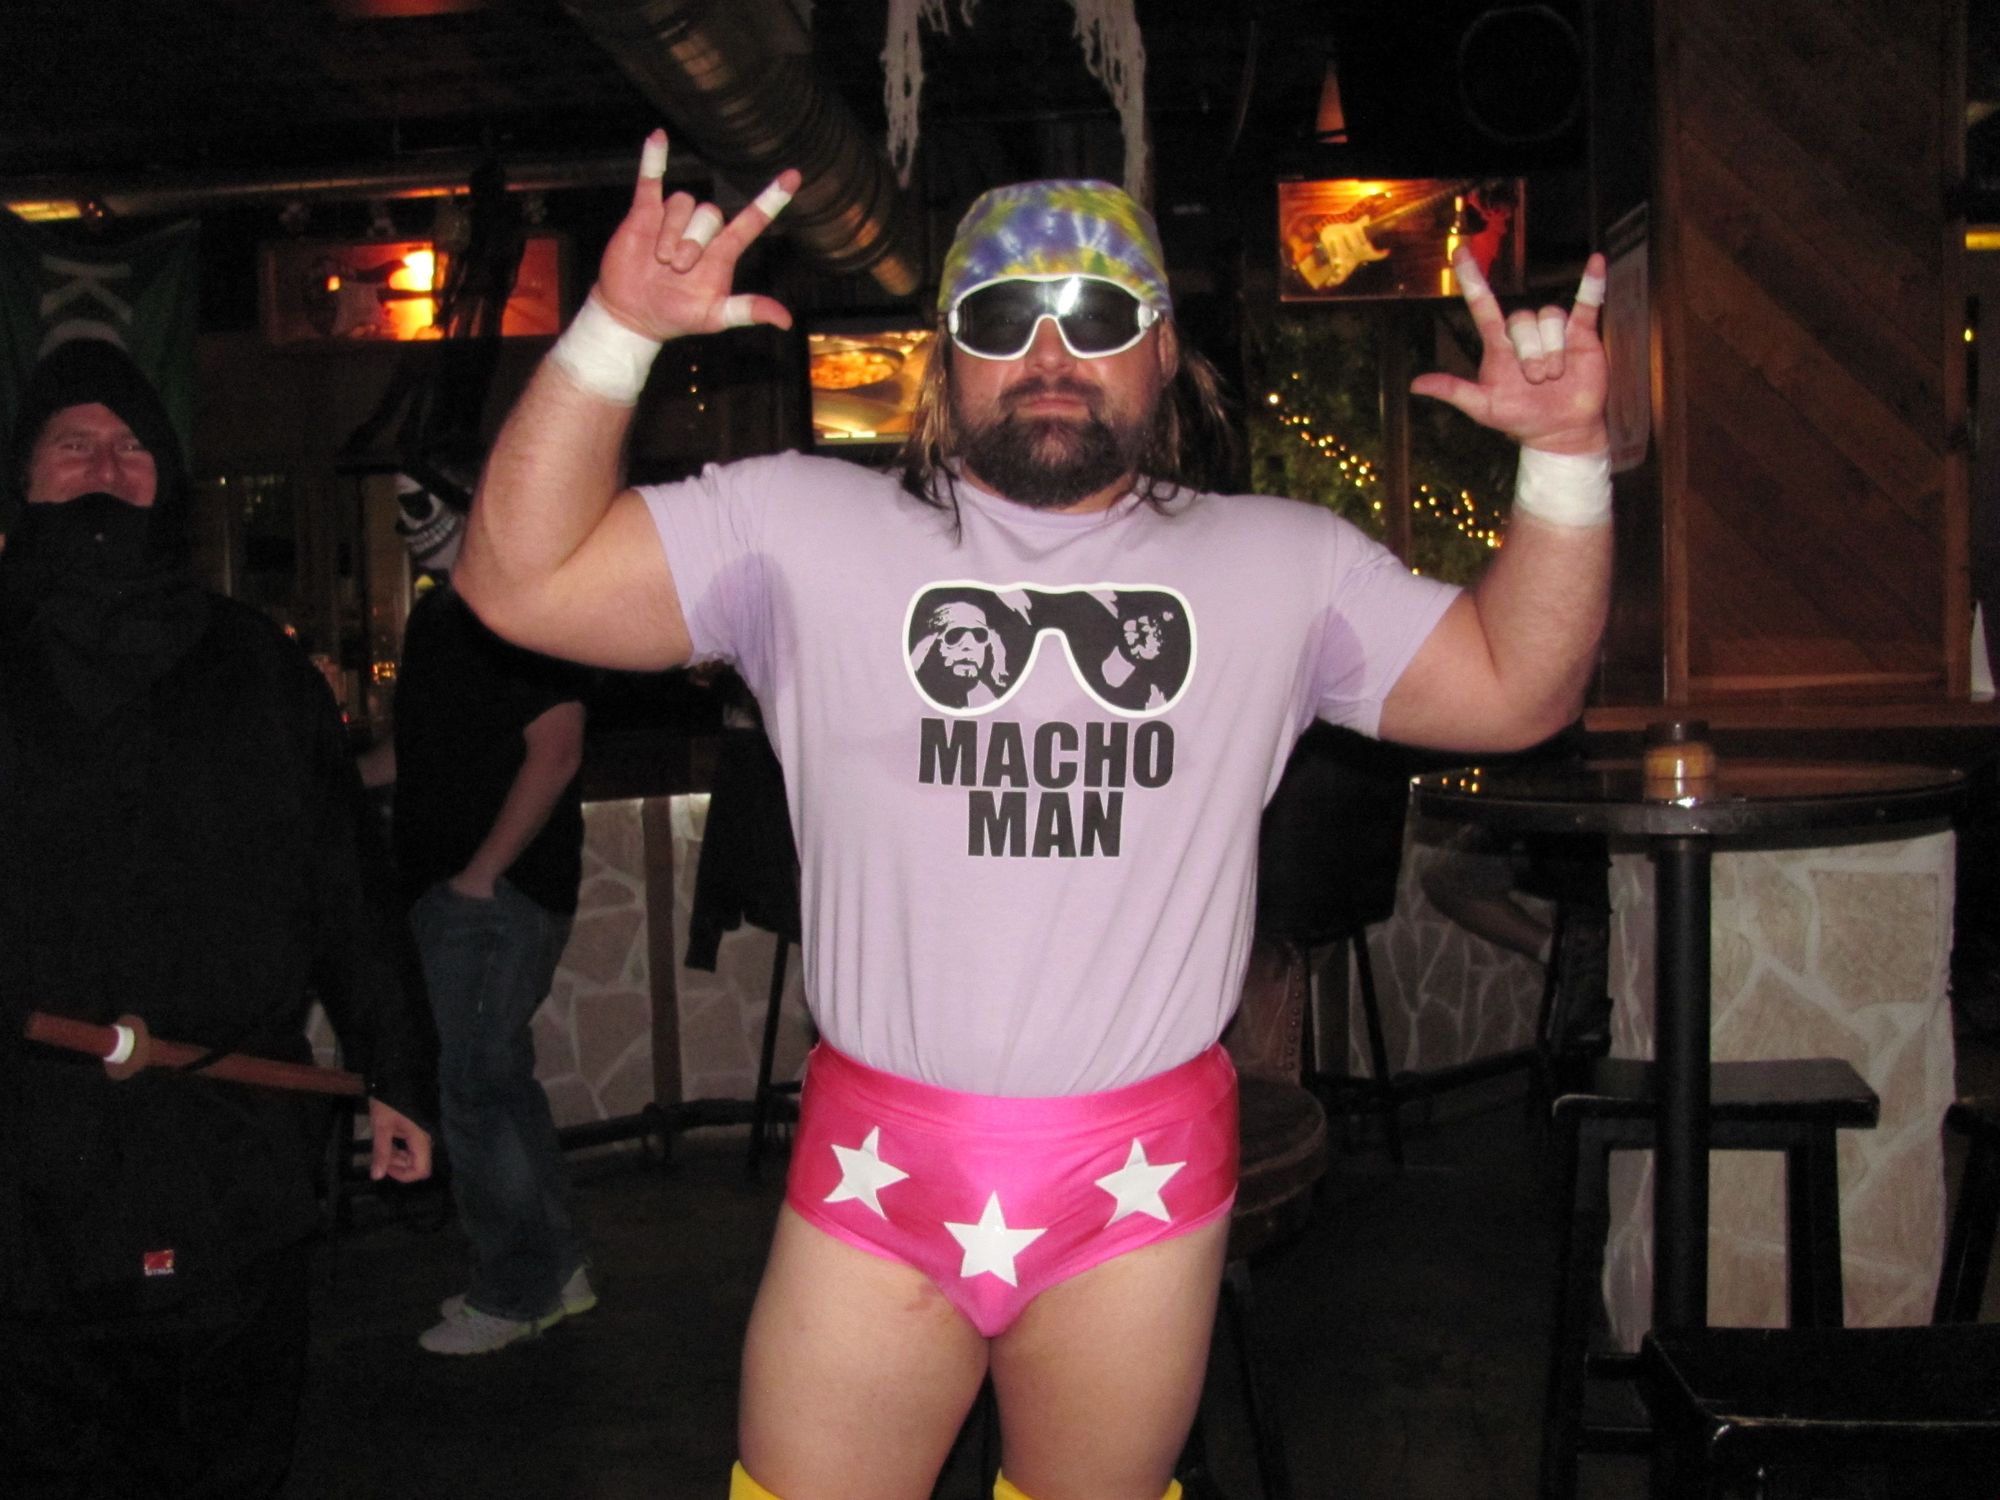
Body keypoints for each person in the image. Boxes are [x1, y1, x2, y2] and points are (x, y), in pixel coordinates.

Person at [453, 130, 1612, 1500]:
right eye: (1002, 316)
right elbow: (515, 581)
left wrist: (1565, 459)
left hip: (1139, 1178)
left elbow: (1517, 689)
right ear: (945, 358)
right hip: (879, 1169)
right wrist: (612, 334)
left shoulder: (1283, 565)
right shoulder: (796, 530)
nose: (1050, 351)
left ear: (1164, 349)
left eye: (1098, 314)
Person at [0, 337, 434, 1498]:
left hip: (229, 1148)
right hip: (29, 1167)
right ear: (25, 477)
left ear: (169, 481)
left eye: (132, 446)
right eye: (74, 444)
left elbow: (344, 884)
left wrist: (396, 1067)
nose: (107, 466)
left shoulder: (255, 665)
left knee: (228, 1460)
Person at [361, 479, 595, 1355]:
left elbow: (556, 748)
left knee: (471, 1090)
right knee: (496, 1085)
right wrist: (333, 776)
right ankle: (555, 1271)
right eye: (403, 506)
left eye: (428, 501)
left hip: (496, 900)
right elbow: (421, 751)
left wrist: (481, 877)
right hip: (464, 895)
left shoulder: (527, 611)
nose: (413, 522)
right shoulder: (441, 619)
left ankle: (514, 1292)